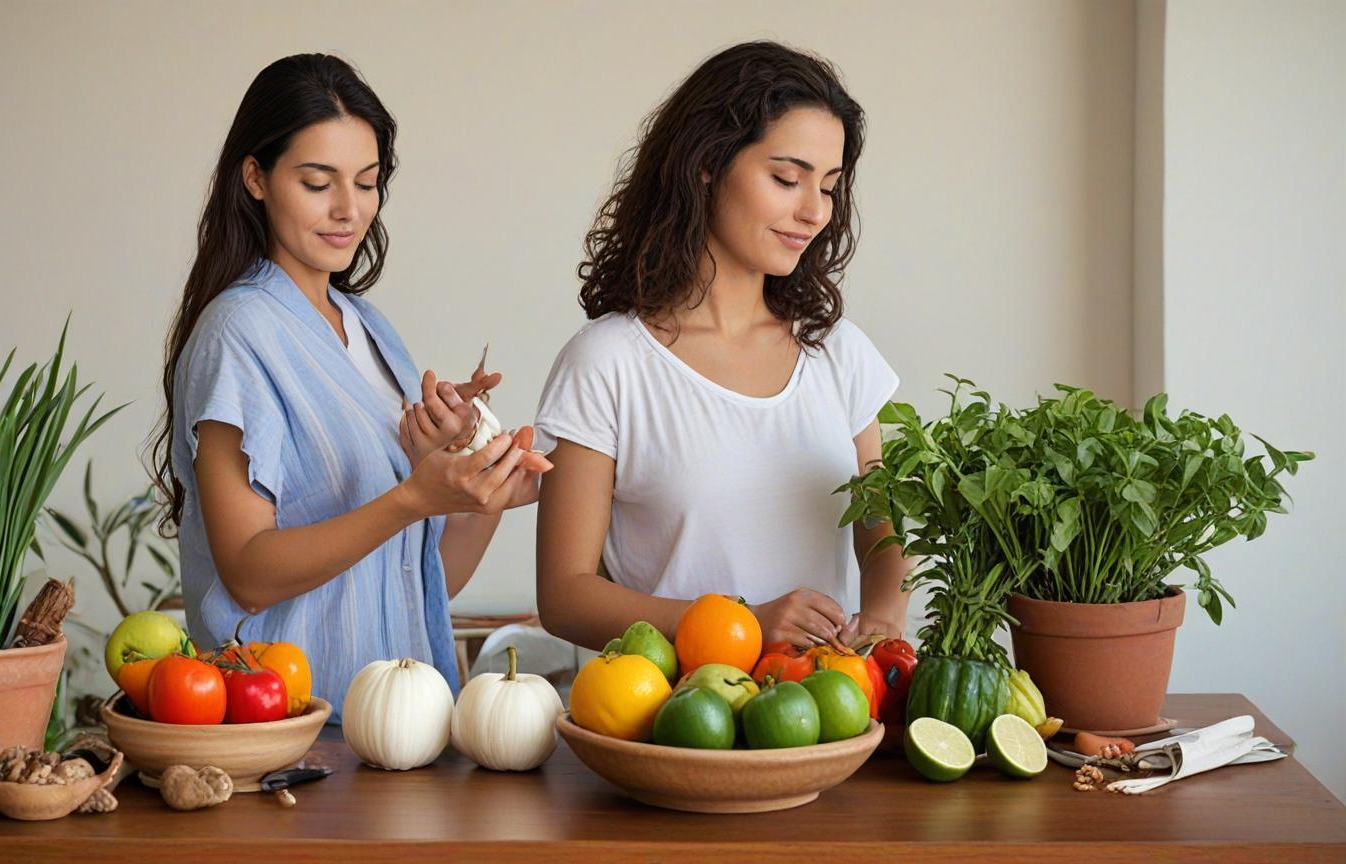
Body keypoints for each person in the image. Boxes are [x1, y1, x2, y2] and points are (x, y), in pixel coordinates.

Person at [150, 54, 540, 715]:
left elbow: (417, 586)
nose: (347, 209)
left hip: (398, 728)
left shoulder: (370, 330)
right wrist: (414, 496)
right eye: (317, 181)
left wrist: (481, 488)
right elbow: (246, 573)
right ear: (256, 177)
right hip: (290, 734)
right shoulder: (235, 333)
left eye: (367, 183)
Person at [535, 42, 909, 653]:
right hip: (670, 722)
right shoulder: (606, 363)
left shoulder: (837, 351)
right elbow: (565, 595)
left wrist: (884, 618)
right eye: (787, 178)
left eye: (830, 186)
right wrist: (742, 622)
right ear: (707, 162)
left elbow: (881, 528)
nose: (814, 211)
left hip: (823, 718)